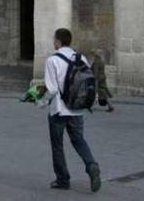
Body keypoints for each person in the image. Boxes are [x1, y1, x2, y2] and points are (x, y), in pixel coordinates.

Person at [42, 28, 101, 192]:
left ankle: (63, 179)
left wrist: (40, 101)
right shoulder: (80, 57)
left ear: (58, 41)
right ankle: (91, 165)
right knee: (79, 140)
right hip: (77, 109)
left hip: (59, 110)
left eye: (54, 39)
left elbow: (51, 89)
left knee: (57, 145)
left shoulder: (52, 60)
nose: (53, 42)